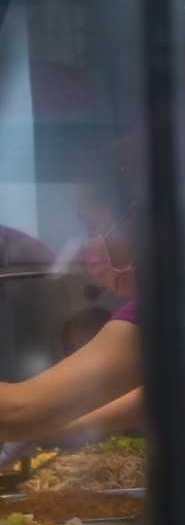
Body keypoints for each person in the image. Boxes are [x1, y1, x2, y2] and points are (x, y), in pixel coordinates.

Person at [0, 140, 148, 450]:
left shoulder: (155, 314)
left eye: (92, 225)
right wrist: (60, 427)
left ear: (134, 219)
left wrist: (43, 423)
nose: (89, 244)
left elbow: (19, 411)